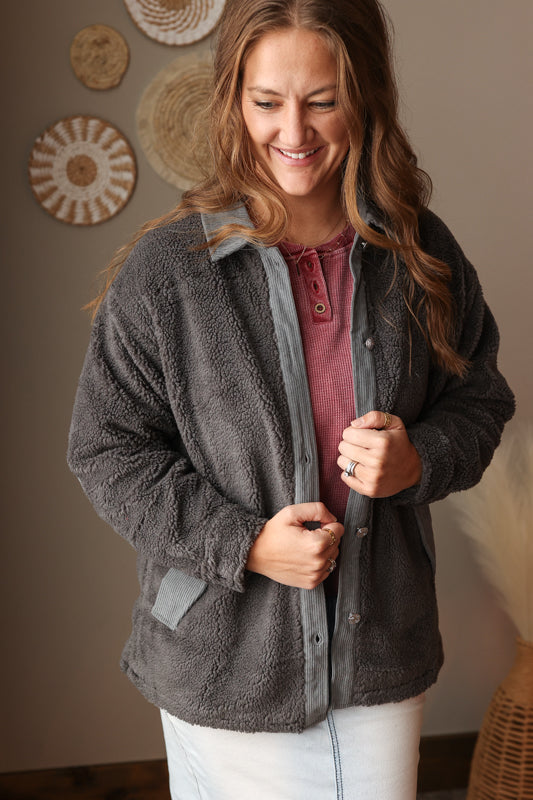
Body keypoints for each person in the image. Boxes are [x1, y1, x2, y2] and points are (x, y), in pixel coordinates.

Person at [67, 0, 515, 797]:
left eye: (322, 100)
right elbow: (105, 449)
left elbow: (479, 399)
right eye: (267, 101)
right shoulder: (170, 272)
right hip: (220, 661)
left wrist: (420, 458)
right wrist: (242, 543)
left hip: (378, 650)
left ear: (366, 96)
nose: (293, 133)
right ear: (233, 101)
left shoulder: (420, 254)